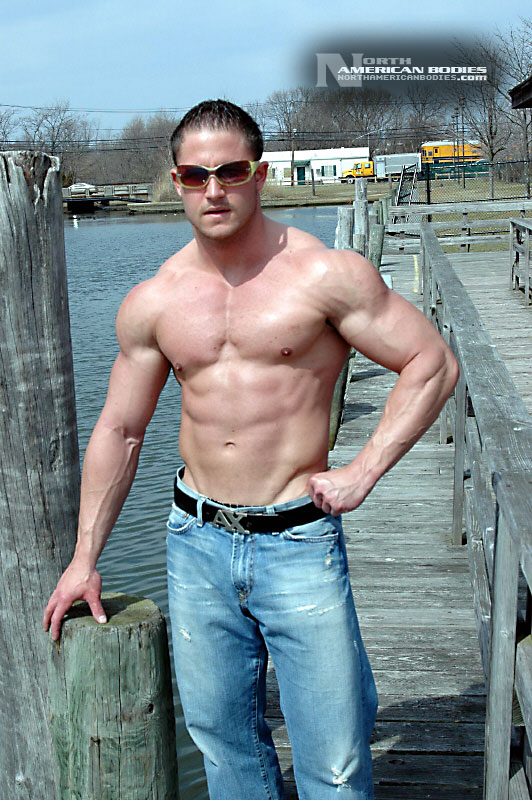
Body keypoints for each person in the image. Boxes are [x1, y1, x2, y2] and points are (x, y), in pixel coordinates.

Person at [43, 99, 458, 800]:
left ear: (259, 175)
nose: (214, 190)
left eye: (230, 172)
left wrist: (363, 472)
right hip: (194, 543)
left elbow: (432, 363)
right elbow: (120, 430)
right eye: (195, 175)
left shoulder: (326, 275)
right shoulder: (155, 300)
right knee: (224, 746)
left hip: (298, 540)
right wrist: (85, 559)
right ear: (176, 181)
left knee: (334, 763)